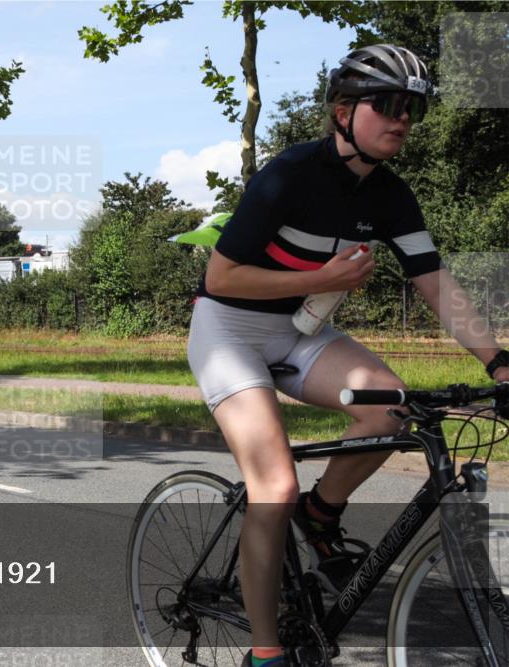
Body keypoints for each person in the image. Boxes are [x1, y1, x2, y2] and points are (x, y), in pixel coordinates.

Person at [185, 44, 509, 667]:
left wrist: (497, 362)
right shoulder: (288, 175)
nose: (402, 120)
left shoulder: (390, 195)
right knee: (273, 486)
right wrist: (326, 281)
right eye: (386, 105)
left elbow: (436, 284)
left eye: (411, 109)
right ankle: (265, 651)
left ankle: (322, 513)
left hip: (297, 331)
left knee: (392, 409)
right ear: (341, 110)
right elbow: (221, 277)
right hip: (228, 329)